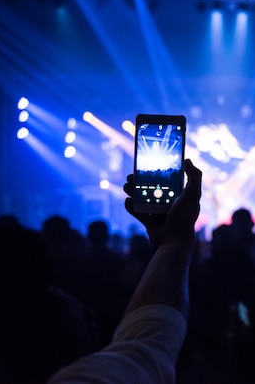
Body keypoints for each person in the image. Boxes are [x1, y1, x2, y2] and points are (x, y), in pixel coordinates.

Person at [48, 159, 202, 383]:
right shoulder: (93, 377)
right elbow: (148, 345)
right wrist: (176, 239)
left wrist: (174, 240)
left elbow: (146, 346)